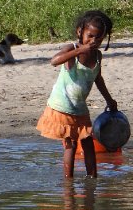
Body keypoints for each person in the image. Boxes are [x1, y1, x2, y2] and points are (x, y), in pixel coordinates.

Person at [36, 10, 118, 178]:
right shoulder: (71, 50)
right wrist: (79, 50)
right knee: (71, 145)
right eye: (90, 36)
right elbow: (54, 61)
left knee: (88, 143)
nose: (93, 41)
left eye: (99, 38)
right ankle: (69, 182)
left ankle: (92, 177)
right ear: (80, 32)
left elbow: (98, 79)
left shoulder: (97, 56)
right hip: (62, 106)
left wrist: (110, 100)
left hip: (79, 108)